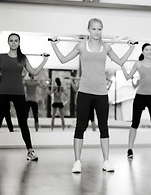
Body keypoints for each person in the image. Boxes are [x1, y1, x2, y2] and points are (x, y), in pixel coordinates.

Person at [50, 18, 135, 173]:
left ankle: (106, 161)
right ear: (88, 30)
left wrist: (131, 48)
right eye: (94, 29)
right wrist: (54, 45)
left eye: (99, 29)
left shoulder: (106, 47)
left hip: (101, 93)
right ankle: (77, 162)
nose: (97, 32)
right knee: (80, 127)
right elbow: (63, 60)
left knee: (104, 127)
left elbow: (121, 61)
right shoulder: (82, 46)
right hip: (84, 92)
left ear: (102, 30)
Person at [0, 33, 48, 161]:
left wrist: (44, 60)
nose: (14, 43)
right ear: (8, 42)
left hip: (18, 93)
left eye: (16, 41)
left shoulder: (23, 59)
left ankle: (30, 151)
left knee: (23, 123)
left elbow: (34, 72)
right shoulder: (1, 57)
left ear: (19, 43)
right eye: (11, 40)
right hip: (2, 93)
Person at [121, 43, 151, 159]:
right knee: (135, 124)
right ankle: (129, 149)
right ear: (143, 51)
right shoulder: (138, 64)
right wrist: (122, 65)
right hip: (140, 97)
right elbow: (128, 77)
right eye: (147, 50)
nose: (149, 51)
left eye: (150, 50)